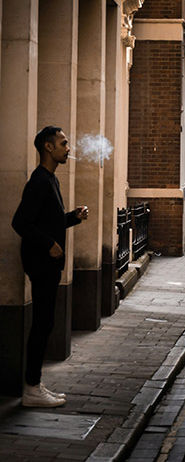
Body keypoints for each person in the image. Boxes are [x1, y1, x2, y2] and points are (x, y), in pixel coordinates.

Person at [12, 126, 89, 408]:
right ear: (48, 147)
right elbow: (20, 223)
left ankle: (35, 383)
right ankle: (32, 389)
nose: (68, 148)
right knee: (42, 324)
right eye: (64, 143)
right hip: (41, 263)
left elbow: (47, 221)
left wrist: (73, 217)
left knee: (45, 323)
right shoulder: (39, 181)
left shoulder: (51, 180)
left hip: (47, 263)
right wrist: (49, 244)